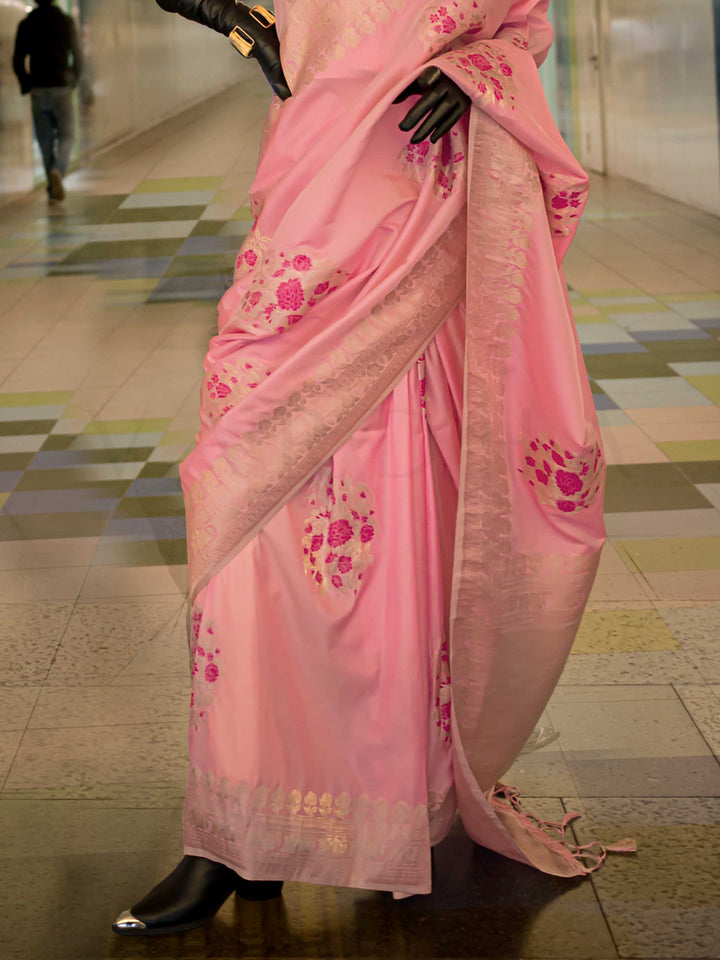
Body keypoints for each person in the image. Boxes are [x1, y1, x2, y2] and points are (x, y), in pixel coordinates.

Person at [113, 0, 635, 937]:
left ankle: (380, 810)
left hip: (419, 211)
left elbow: (521, 29)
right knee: (247, 515)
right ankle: (233, 832)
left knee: (393, 515)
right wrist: (238, 21)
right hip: (308, 213)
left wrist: (478, 77)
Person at [12, 0, 82, 202]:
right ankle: (58, 171)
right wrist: (74, 79)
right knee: (67, 136)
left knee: (44, 141)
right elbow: (77, 55)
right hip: (62, 87)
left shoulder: (26, 23)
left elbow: (17, 60)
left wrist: (27, 85)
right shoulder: (65, 21)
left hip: (38, 89)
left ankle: (52, 188)